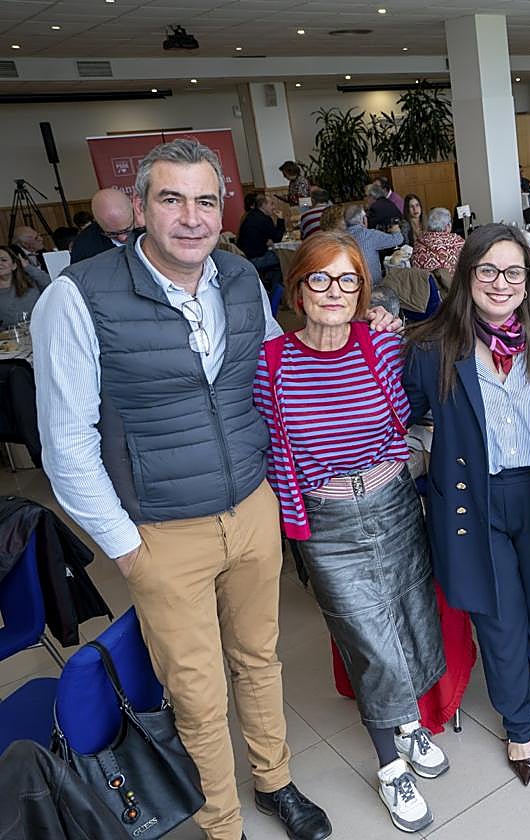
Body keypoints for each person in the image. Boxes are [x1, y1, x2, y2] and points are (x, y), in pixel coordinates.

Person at [32, 138, 336, 840]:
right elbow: (66, 444)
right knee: (195, 693)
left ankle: (274, 783)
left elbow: (269, 375)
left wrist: (351, 328)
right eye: (171, 199)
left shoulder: (235, 275)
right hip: (162, 532)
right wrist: (126, 548)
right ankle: (221, 821)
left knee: (260, 659)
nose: (192, 217)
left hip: (250, 507)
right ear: (139, 208)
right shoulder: (77, 298)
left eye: (206, 200)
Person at [254, 231, 447, 833]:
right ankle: (391, 768)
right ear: (297, 289)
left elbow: (416, 408)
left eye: (347, 281)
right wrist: (297, 530)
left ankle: (410, 725)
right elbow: (277, 458)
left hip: (393, 505)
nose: (333, 292)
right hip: (329, 524)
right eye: (319, 279)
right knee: (369, 643)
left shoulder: (384, 347)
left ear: (363, 290)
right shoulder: (271, 364)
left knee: (413, 619)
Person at [403, 223, 530, 787]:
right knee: (498, 622)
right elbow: (405, 414)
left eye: (514, 271)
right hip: (472, 503)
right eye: (486, 269)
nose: (501, 282)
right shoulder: (432, 344)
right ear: (466, 275)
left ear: (528, 280)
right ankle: (518, 723)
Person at [70, 188, 138, 263]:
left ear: (133, 211)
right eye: (112, 234)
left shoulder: (148, 228)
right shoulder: (83, 245)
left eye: (127, 230)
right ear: (97, 221)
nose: (122, 238)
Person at [237, 192, 287, 292]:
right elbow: (277, 238)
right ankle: (275, 294)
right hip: (255, 259)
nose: (274, 207)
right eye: (271, 204)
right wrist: (280, 219)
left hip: (244, 258)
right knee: (283, 260)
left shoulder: (250, 216)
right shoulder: (264, 219)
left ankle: (270, 290)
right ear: (263, 205)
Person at [345, 204, 407, 285]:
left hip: (351, 286)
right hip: (372, 287)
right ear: (364, 220)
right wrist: (396, 229)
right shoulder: (369, 235)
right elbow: (398, 239)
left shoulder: (341, 238)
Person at [411, 207, 466, 273]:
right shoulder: (457, 241)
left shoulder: (418, 242)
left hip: (425, 282)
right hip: (450, 282)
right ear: (448, 226)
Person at [0, 245, 42, 328]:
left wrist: (28, 267)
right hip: (8, 338)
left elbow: (49, 284)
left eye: (3, 260)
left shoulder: (30, 283)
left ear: (14, 265)